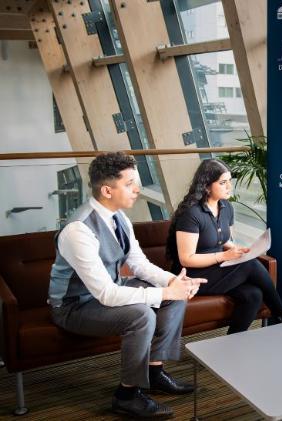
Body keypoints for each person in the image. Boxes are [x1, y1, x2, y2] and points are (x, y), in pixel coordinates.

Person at [49, 152, 206, 419]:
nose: (138, 189)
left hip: (108, 289)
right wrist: (166, 290)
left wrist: (172, 282)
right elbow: (106, 294)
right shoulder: (78, 230)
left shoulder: (118, 217)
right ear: (107, 190)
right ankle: (126, 395)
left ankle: (154, 372)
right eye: (130, 183)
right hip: (74, 306)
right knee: (141, 314)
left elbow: (139, 264)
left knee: (173, 296)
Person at [166, 158, 282, 334]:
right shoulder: (191, 214)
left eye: (229, 182)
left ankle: (231, 343)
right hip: (193, 276)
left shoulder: (226, 207)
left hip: (219, 270)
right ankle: (281, 312)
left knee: (253, 295)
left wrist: (237, 250)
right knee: (250, 265)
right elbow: (186, 259)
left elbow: (223, 240)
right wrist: (223, 256)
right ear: (206, 186)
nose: (229, 187)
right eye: (222, 183)